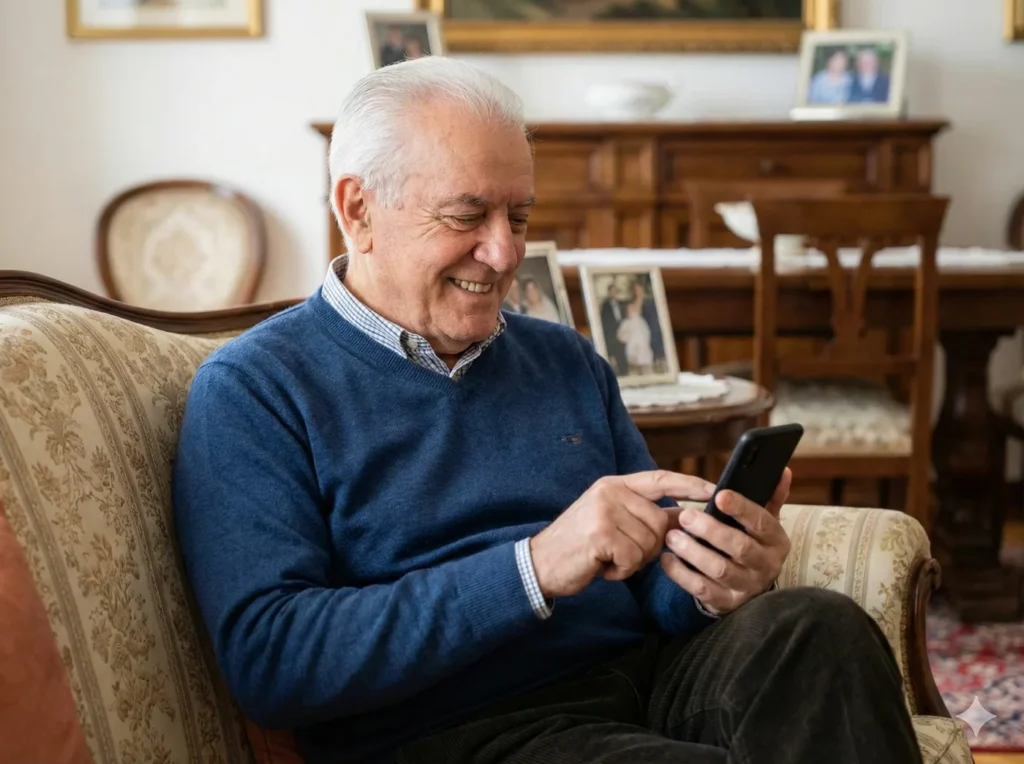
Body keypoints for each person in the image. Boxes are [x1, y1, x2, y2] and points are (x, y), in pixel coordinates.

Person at [172, 57, 924, 764]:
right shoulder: (256, 388)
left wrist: (709, 578)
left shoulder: (563, 358)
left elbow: (651, 588)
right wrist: (533, 567)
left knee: (820, 629)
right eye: (467, 215)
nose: (504, 253)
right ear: (358, 208)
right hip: (453, 726)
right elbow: (271, 661)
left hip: (640, 680)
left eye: (520, 216)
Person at [616, 299, 654, 375]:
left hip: (643, 352)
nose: (630, 311)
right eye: (628, 309)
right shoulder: (625, 323)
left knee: (646, 372)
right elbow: (620, 337)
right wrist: (627, 334)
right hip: (632, 352)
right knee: (634, 372)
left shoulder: (641, 321)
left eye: (631, 309)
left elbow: (647, 335)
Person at [599, 281, 629, 375]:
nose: (614, 293)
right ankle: (620, 371)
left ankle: (625, 370)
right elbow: (605, 321)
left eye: (615, 291)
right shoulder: (605, 305)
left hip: (624, 329)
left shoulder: (622, 303)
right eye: (611, 291)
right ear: (609, 293)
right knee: (616, 349)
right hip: (612, 332)